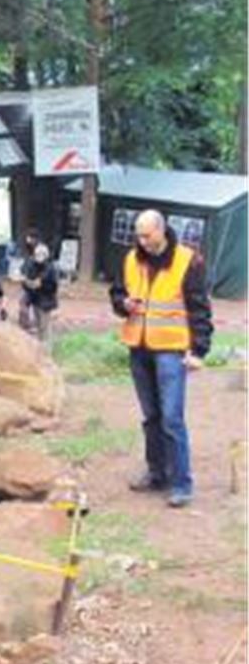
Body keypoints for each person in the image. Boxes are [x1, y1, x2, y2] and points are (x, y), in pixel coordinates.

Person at [109, 209, 213, 508]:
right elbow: (117, 293)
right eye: (138, 236)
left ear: (161, 230)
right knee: (151, 417)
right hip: (138, 348)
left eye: (147, 235)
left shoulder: (186, 260)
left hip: (171, 350)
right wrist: (122, 304)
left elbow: (199, 309)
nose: (142, 241)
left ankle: (182, 483)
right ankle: (157, 473)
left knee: (171, 418)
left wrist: (199, 351)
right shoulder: (131, 259)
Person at [20, 243, 58, 343]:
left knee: (44, 327)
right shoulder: (31, 265)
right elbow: (26, 281)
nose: (38, 256)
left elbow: (38, 283)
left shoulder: (50, 267)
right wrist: (27, 282)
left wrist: (29, 282)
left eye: (41, 254)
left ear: (46, 256)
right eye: (37, 254)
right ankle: (40, 348)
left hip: (46, 300)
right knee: (38, 325)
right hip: (35, 299)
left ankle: (46, 350)